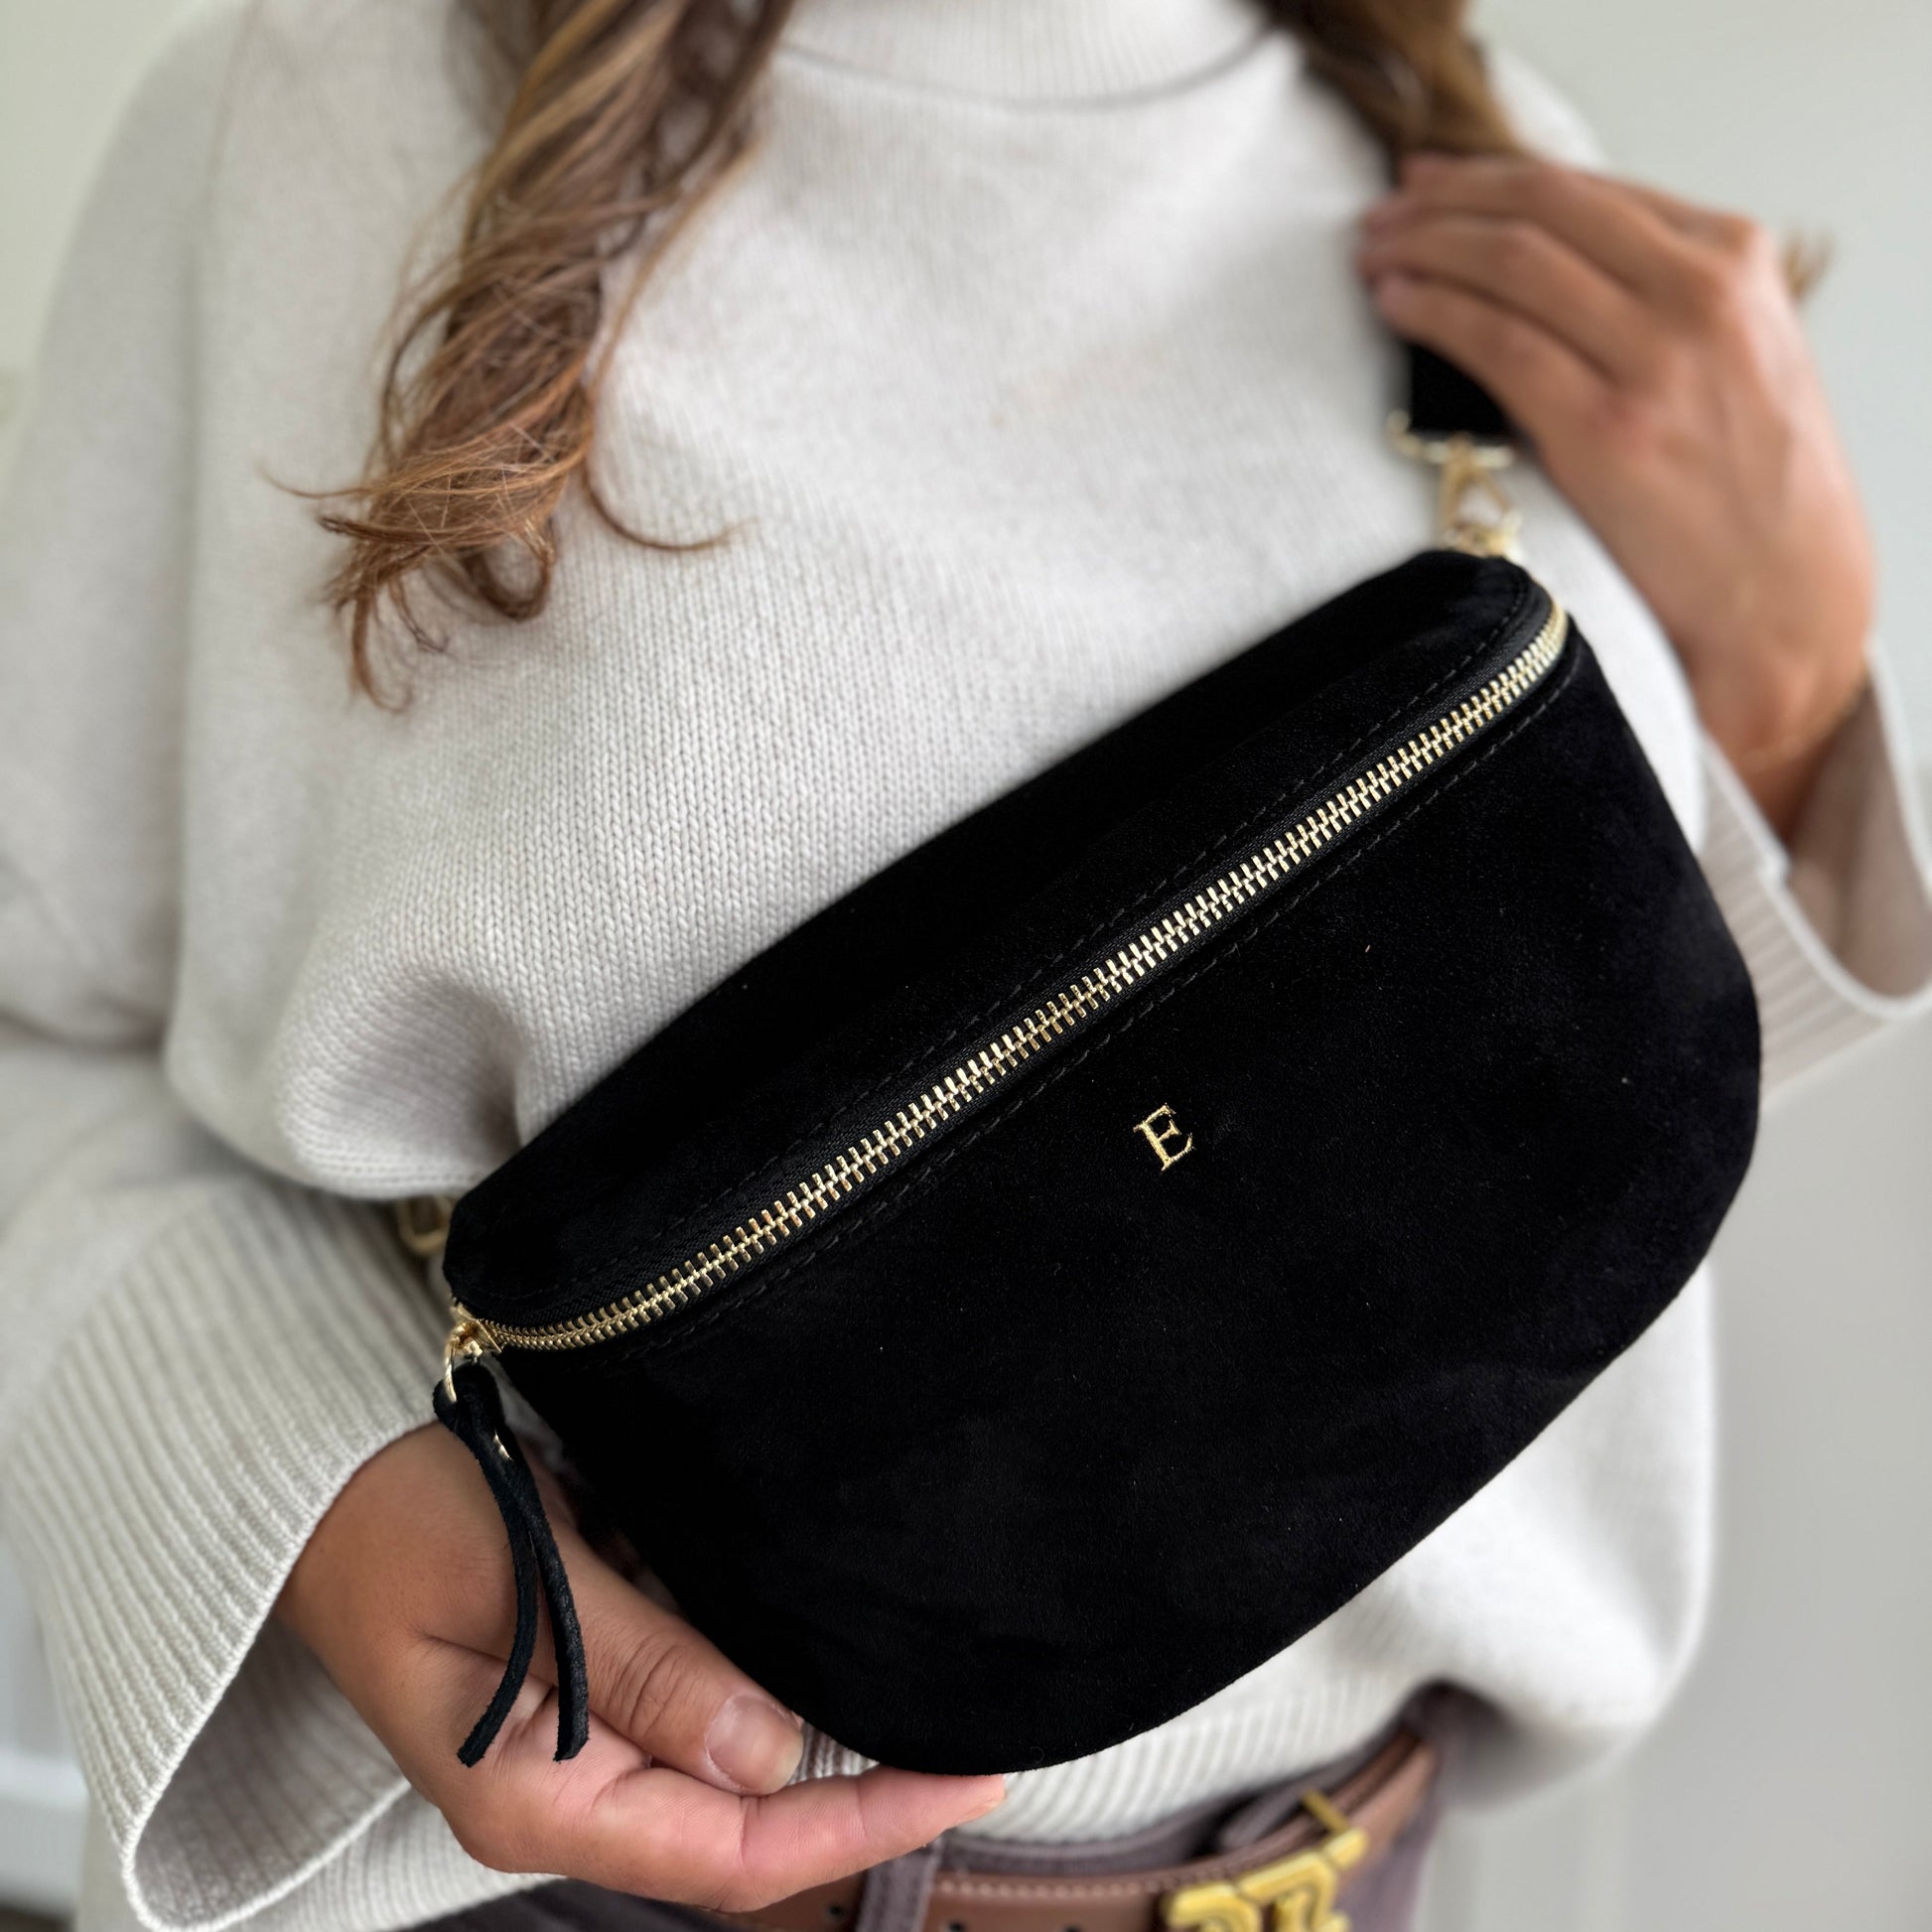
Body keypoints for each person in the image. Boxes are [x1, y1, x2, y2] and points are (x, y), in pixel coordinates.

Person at [3, 2, 1929, 1929]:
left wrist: (1777, 696)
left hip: (1358, 1874)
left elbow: (1486, 1090)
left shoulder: (1494, 157)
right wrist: (307, 1479)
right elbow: (36, 1017)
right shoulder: (333, 114)